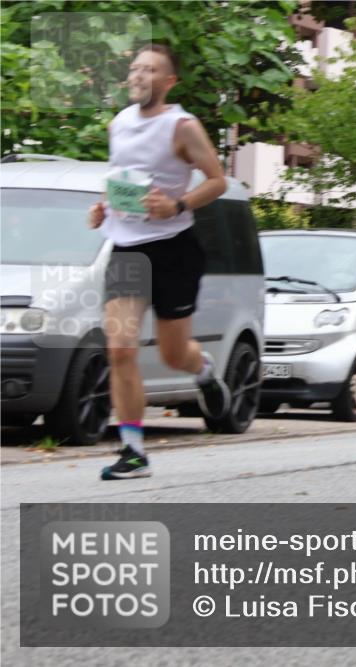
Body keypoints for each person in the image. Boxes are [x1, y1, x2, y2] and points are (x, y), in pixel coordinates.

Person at [88, 44, 230, 480]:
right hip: (128, 249)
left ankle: (204, 372)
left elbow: (218, 181)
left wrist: (179, 204)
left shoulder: (181, 126)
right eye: (134, 68)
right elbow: (125, 181)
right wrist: (104, 206)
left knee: (173, 355)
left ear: (168, 82)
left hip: (173, 249)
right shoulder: (119, 124)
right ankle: (134, 452)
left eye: (150, 70)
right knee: (120, 349)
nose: (139, 75)